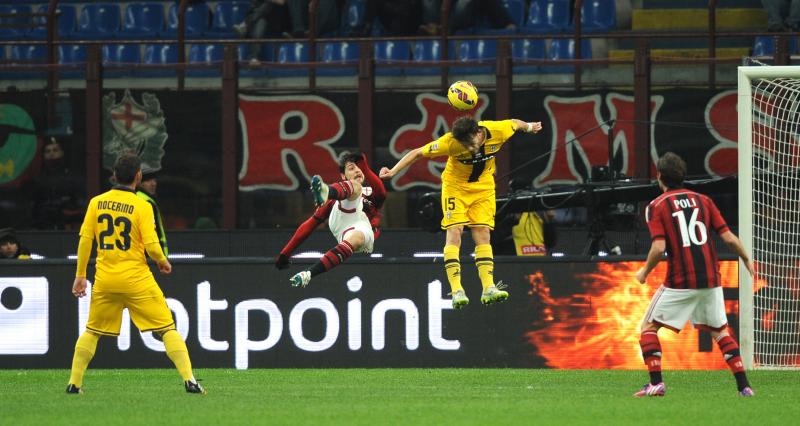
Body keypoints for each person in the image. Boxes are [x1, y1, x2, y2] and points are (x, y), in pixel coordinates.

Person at [66, 153, 204, 395]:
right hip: (136, 279)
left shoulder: (96, 203)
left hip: (106, 280)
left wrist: (80, 275)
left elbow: (86, 240)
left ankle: (74, 383)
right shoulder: (142, 205)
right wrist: (162, 261)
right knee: (167, 328)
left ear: (114, 175)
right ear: (138, 176)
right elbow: (151, 245)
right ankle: (189, 380)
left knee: (92, 331)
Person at [380, 116, 543, 308]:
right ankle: (457, 290)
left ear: (478, 132)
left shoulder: (498, 130)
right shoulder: (450, 141)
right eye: (463, 144)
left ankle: (488, 287)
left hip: (483, 188)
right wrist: (393, 171)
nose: (466, 147)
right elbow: (417, 153)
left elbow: (515, 123)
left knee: (483, 233)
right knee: (455, 231)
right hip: (455, 188)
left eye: (469, 143)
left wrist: (530, 126)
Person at [634, 152, 755, 397]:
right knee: (720, 331)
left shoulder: (656, 206)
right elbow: (729, 238)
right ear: (683, 176)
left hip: (680, 280)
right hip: (711, 279)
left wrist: (644, 271)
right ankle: (744, 387)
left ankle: (656, 383)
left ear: (659, 176)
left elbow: (658, 247)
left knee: (648, 327)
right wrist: (746, 259)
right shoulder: (704, 200)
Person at [276, 153, 386, 288]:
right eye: (352, 168)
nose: (358, 170)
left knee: (356, 236)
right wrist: (285, 253)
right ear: (343, 176)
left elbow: (381, 193)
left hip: (362, 231)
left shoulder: (372, 192)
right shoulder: (338, 196)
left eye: (360, 168)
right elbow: (309, 225)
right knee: (355, 187)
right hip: (341, 222)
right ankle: (326, 191)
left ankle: (308, 274)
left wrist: (366, 168)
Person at [29, 137, 84, 230]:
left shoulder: (71, 177)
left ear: (62, 153)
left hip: (66, 224)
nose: (51, 154)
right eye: (48, 151)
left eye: (55, 150)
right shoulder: (38, 179)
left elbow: (78, 203)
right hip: (43, 226)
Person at [420, 0, 517, 35]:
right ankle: (434, 27)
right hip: (437, 17)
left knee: (464, 3)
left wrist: (506, 22)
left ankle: (444, 29)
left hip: (459, 22)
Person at [136, 172, 168, 256]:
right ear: (140, 183)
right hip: (149, 257)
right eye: (148, 181)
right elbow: (151, 234)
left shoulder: (146, 199)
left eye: (154, 180)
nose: (153, 184)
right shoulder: (145, 201)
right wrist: (160, 257)